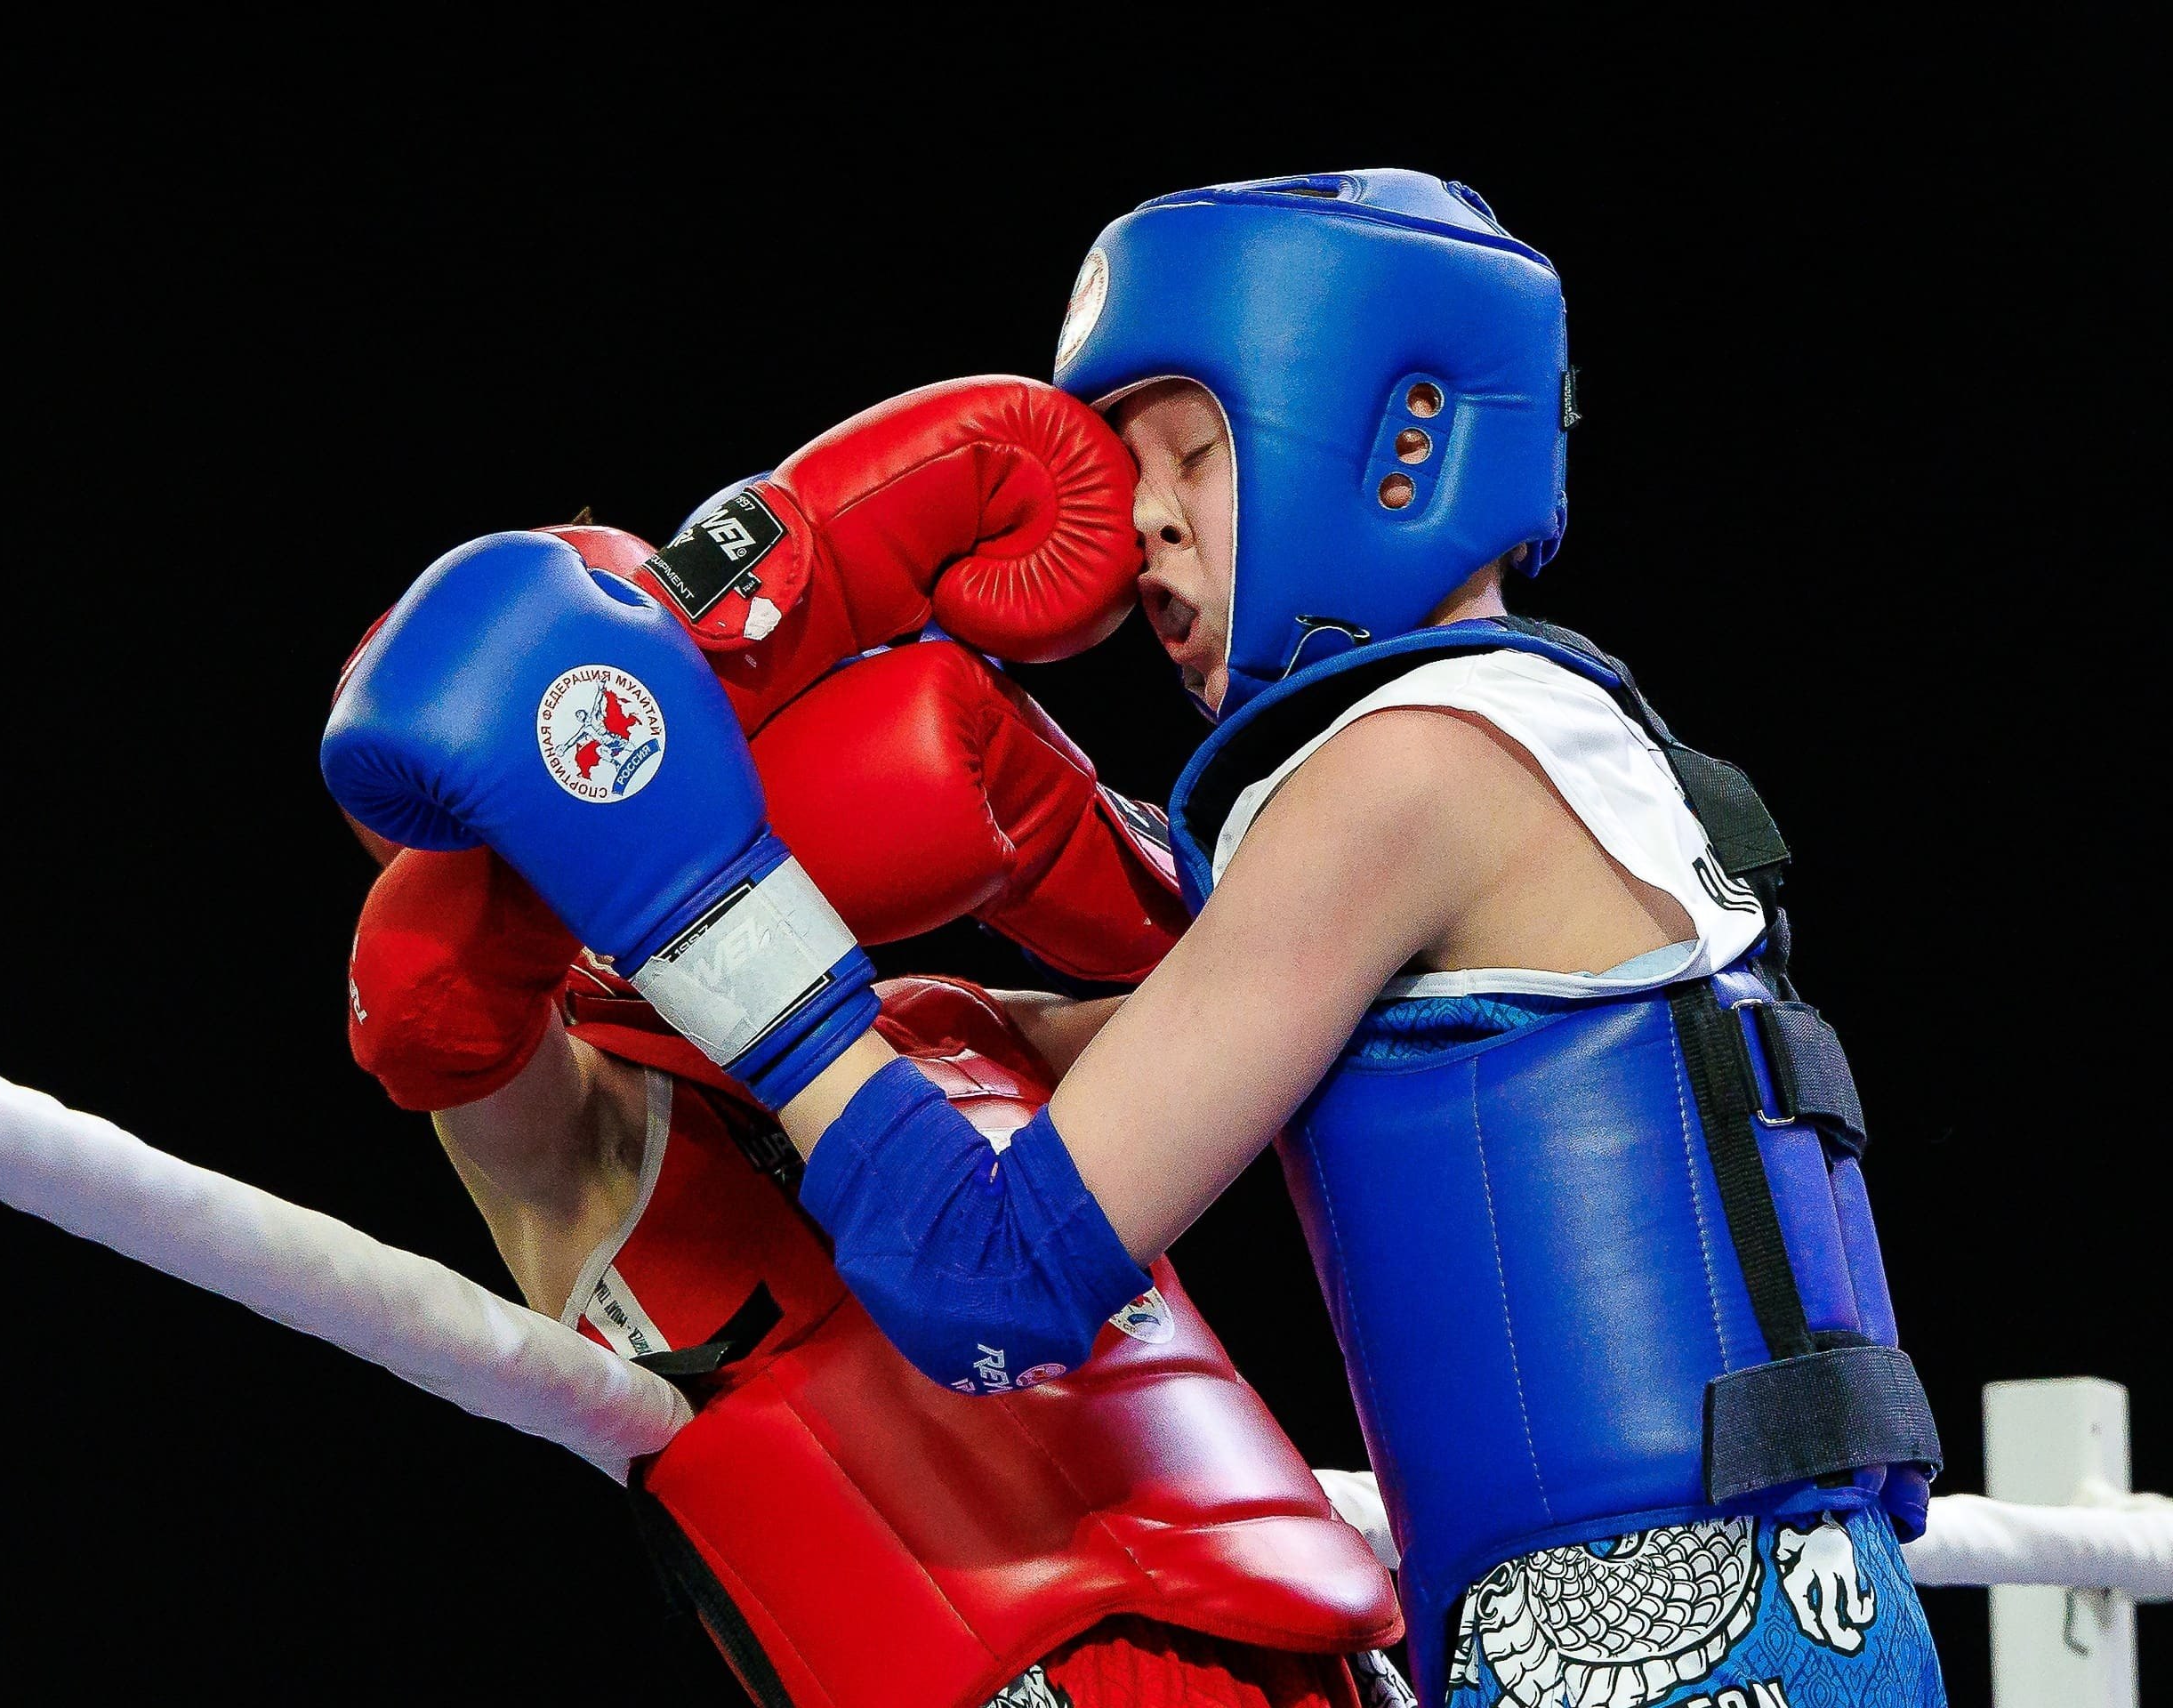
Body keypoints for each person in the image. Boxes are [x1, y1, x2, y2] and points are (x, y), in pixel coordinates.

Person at [322, 175, 1946, 1707]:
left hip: (1651, 1629)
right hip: (1733, 1611)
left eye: (1191, 454)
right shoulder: (1548, 736)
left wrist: (709, 900)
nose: (1138, 523)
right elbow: (1113, 1039)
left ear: (1399, 444)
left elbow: (987, 1277)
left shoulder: (1408, 770)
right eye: (1120, 463)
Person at [333, 379, 1409, 1708]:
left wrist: (1082, 831)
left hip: (1311, 1647)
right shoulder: (586, 1127)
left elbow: (1284, 1009)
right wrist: (581, 840)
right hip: (1008, 1673)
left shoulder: (948, 1025)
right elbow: (439, 1029)